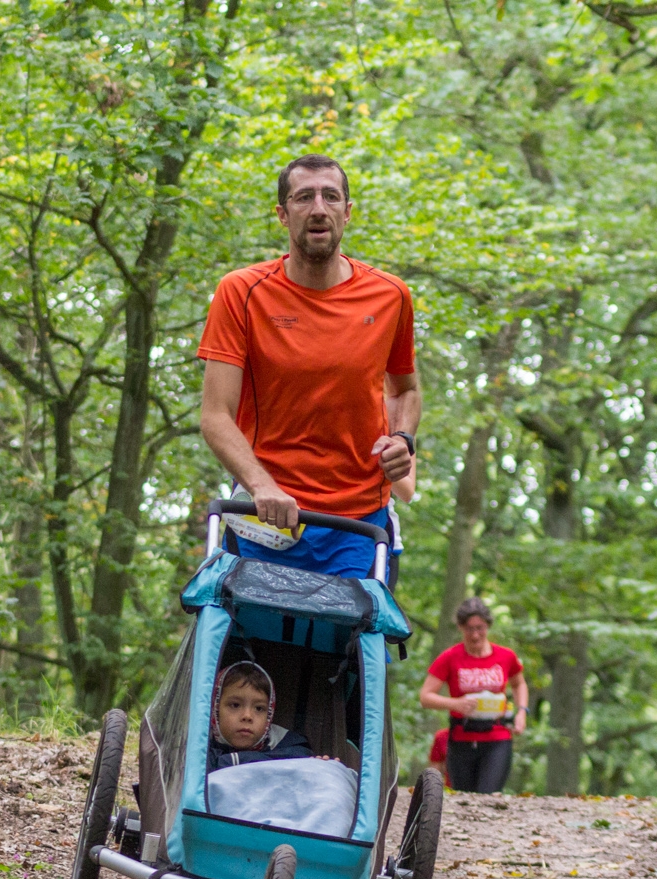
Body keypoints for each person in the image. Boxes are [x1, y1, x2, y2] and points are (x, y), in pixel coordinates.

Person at [197, 154, 422, 578]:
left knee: (358, 640)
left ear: (347, 212)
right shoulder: (241, 292)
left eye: (330, 197)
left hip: (358, 523)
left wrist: (403, 438)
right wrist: (263, 487)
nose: (318, 208)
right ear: (283, 215)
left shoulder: (391, 295)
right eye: (304, 198)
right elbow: (215, 416)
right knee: (239, 639)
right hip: (266, 518)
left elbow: (405, 389)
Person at [418, 598, 528, 793]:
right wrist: (455, 704)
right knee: (463, 798)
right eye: (469, 629)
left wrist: (521, 712)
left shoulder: (505, 656)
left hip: (497, 736)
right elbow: (426, 696)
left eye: (480, 628)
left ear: (488, 626)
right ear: (461, 627)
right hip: (461, 737)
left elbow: (519, 684)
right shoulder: (450, 657)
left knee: (488, 795)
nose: (476, 635)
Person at [207, 661, 315, 770]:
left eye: (259, 708)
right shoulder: (198, 746)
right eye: (235, 705)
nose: (247, 716)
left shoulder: (292, 749)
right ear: (215, 708)